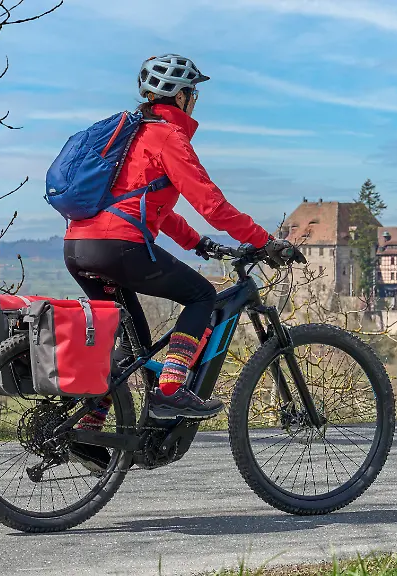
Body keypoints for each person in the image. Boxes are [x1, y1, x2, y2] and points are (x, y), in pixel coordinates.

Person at [63, 54, 301, 471]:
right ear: (183, 96)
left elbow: (149, 207)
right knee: (201, 295)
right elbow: (211, 204)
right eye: (195, 93)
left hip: (80, 247)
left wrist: (199, 244)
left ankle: (90, 423)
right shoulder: (168, 138)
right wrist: (267, 242)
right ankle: (170, 390)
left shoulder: (133, 136)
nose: (196, 101)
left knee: (131, 343)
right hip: (119, 247)